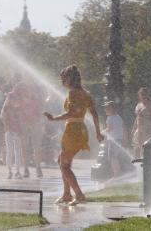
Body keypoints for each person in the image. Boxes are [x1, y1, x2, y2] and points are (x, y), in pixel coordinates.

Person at [44, 65, 104, 206]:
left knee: (64, 165)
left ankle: (78, 194)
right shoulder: (86, 94)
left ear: (69, 79)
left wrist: (54, 118)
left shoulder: (73, 93)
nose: (62, 82)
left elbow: (70, 113)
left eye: (63, 79)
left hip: (73, 130)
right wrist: (97, 132)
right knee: (63, 161)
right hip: (81, 129)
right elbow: (94, 114)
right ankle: (66, 194)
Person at [12, 74, 47, 178]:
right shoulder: (19, 86)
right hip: (23, 119)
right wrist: (19, 104)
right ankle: (26, 168)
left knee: (37, 145)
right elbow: (12, 100)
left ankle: (38, 168)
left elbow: (43, 101)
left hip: (36, 119)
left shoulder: (38, 87)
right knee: (25, 145)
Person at [0, 91, 22, 179]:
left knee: (17, 151)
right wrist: (10, 129)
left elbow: (20, 121)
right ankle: (9, 170)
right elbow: (5, 121)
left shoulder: (18, 109)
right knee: (10, 151)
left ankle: (17, 171)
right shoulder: (5, 109)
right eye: (10, 98)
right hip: (9, 132)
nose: (11, 100)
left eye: (13, 98)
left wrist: (19, 130)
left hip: (17, 132)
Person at [102, 101, 127, 177]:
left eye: (106, 109)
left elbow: (110, 128)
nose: (105, 110)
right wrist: (125, 138)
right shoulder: (118, 117)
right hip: (119, 139)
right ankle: (117, 173)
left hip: (113, 140)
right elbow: (124, 127)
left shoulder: (109, 118)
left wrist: (102, 131)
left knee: (112, 158)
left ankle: (116, 174)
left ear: (111, 109)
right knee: (115, 157)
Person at [131, 87, 151, 158]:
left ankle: (147, 161)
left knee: (146, 147)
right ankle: (137, 163)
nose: (143, 96)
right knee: (137, 145)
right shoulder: (138, 105)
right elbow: (137, 117)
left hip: (148, 129)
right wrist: (134, 128)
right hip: (139, 129)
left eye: (145, 94)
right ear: (139, 95)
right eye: (142, 94)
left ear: (147, 95)